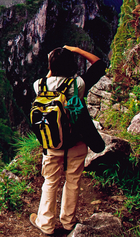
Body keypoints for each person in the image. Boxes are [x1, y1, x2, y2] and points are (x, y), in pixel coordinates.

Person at [29, 45, 107, 236]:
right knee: (73, 181)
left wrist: (51, 66)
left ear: (51, 66)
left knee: (50, 181)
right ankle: (68, 222)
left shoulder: (38, 85)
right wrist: (77, 50)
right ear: (72, 65)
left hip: (52, 143)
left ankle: (45, 223)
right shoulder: (77, 85)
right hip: (77, 142)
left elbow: (48, 80)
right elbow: (99, 65)